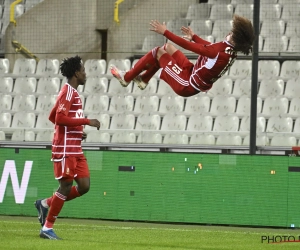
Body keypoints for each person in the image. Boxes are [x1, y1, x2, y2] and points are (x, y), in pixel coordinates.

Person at [34, 56, 101, 240]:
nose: (85, 74)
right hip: (64, 150)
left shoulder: (71, 93)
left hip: (75, 148)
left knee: (84, 185)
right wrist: (87, 121)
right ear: (76, 73)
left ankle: (46, 203)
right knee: (65, 186)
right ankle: (47, 228)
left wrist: (77, 131)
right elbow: (59, 119)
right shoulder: (69, 93)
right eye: (83, 70)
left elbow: (53, 116)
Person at [110, 15, 255, 97]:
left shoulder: (220, 51)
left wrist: (165, 32)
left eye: (232, 32)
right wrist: (195, 37)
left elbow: (190, 47)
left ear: (234, 37)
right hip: (191, 71)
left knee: (157, 52)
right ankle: (143, 79)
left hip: (187, 84)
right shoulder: (230, 51)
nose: (229, 32)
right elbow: (209, 48)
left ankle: (126, 78)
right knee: (167, 48)